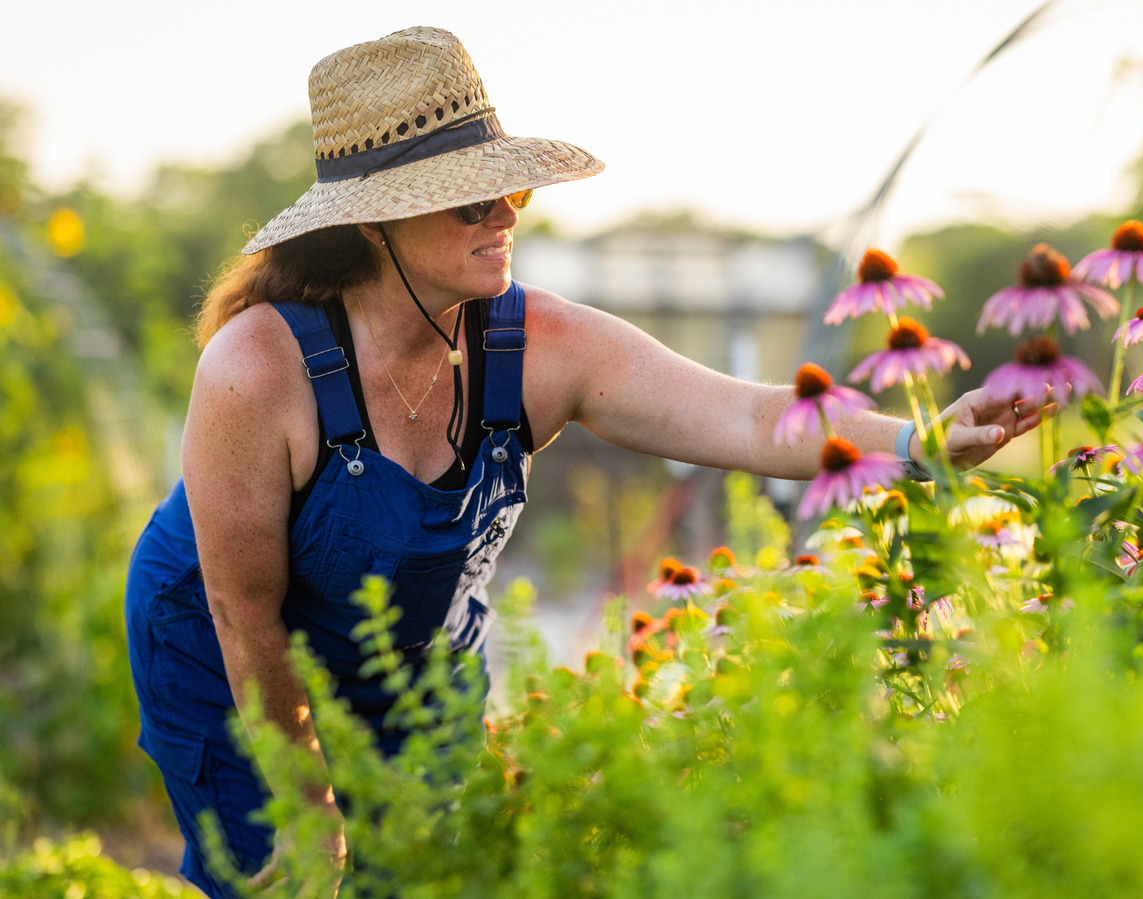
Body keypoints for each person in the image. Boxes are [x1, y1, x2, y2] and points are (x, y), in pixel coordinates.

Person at [124, 26, 1046, 899]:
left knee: (443, 873)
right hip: (230, 651)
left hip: (417, 646)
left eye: (513, 189)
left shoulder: (544, 345)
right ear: (377, 223)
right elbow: (242, 610)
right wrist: (310, 804)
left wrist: (920, 442)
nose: (507, 213)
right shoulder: (256, 368)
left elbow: (752, 414)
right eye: (472, 196)